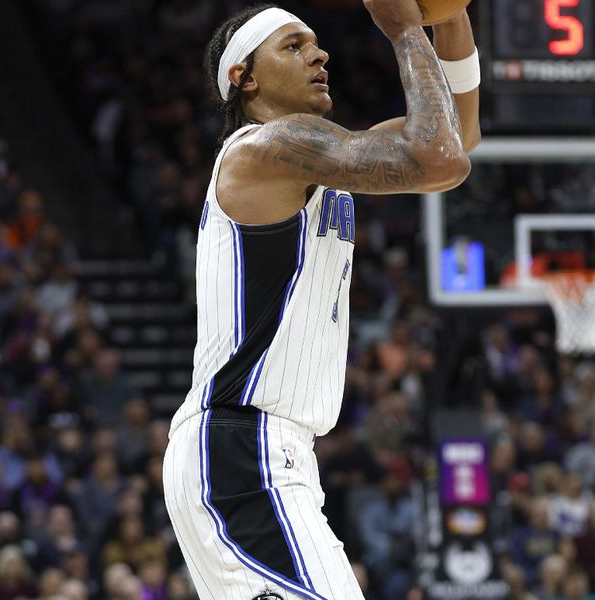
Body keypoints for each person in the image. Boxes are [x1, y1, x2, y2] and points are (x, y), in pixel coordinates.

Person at [162, 1, 480, 599]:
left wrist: (452, 17)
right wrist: (407, 28)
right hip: (241, 453)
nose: (320, 53)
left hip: (264, 456)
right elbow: (439, 156)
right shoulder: (265, 149)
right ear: (244, 79)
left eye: (314, 42)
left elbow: (456, 139)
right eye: (293, 45)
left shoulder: (312, 156)